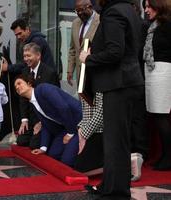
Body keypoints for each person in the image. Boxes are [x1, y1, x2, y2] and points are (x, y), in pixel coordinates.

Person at [79, 0, 144, 199]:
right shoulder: (129, 10)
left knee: (115, 141)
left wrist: (88, 58)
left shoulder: (113, 13)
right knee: (119, 140)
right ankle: (110, 185)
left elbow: (115, 51)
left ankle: (115, 191)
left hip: (118, 84)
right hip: (128, 82)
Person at [14, 75, 82, 167]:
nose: (17, 87)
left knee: (67, 161)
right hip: (66, 128)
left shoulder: (43, 89)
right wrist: (43, 148)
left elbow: (63, 108)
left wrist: (70, 133)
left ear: (29, 84)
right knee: (52, 155)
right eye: (15, 87)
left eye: (19, 83)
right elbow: (46, 125)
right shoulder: (33, 104)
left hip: (79, 123)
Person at [143, 0, 171, 171]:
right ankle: (164, 155)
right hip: (153, 71)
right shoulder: (154, 25)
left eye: (149, 6)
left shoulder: (167, 25)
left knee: (161, 115)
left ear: (158, 6)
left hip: (163, 72)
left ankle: (168, 157)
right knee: (155, 115)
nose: (146, 10)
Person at [16, 42, 60, 150]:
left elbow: (55, 100)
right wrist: (24, 120)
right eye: (25, 56)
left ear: (38, 56)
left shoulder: (50, 73)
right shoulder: (25, 71)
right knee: (21, 141)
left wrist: (42, 122)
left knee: (34, 145)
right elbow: (23, 97)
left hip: (45, 117)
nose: (26, 59)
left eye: (29, 56)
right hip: (31, 117)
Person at [130, 0, 151, 182]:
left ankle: (141, 150)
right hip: (131, 77)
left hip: (138, 77)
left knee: (138, 117)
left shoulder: (143, 26)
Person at [67, 0, 100, 85]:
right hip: (80, 74)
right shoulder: (75, 23)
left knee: (96, 98)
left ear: (90, 7)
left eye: (82, 10)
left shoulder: (101, 21)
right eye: (77, 11)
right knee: (81, 98)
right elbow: (73, 49)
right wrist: (70, 70)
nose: (80, 13)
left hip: (95, 73)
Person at [74, 92, 104, 176]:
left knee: (80, 170)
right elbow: (86, 113)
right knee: (77, 167)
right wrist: (80, 129)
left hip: (103, 131)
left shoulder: (101, 83)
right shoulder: (85, 82)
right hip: (90, 130)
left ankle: (122, 163)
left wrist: (84, 134)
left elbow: (101, 114)